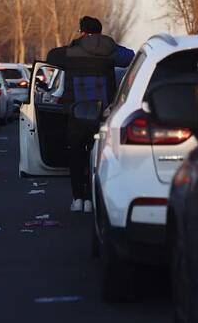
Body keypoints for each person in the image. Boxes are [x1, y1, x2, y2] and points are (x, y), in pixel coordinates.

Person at [46, 16, 134, 213]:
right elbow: (130, 57)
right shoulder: (111, 50)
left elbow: (51, 57)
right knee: (99, 158)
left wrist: (75, 44)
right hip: (103, 114)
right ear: (100, 32)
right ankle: (93, 200)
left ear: (82, 32)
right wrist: (110, 45)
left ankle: (78, 199)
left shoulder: (71, 52)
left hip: (77, 114)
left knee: (77, 156)